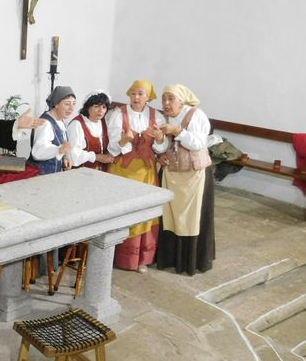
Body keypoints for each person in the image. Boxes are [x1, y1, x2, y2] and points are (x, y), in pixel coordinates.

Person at [106, 79, 167, 272]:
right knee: (122, 211)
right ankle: (118, 257)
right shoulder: (117, 115)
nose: (136, 97)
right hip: (122, 172)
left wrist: (159, 139)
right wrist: (124, 139)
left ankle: (141, 259)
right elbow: (112, 149)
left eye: (140, 94)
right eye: (133, 93)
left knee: (144, 212)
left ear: (148, 97)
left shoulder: (157, 117)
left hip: (146, 172)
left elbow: (161, 148)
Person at [155, 84, 215, 274]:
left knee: (192, 218)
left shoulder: (196, 115)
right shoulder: (162, 117)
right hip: (171, 173)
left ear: (181, 100)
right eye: (164, 98)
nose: (166, 103)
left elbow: (198, 143)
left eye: (171, 98)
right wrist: (159, 148)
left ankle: (190, 261)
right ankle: (169, 258)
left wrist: (177, 131)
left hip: (194, 175)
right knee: (170, 216)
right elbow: (162, 146)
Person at [31, 85, 76, 174]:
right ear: (56, 104)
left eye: (74, 103)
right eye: (67, 104)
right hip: (42, 176)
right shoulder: (45, 123)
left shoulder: (60, 120)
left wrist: (65, 158)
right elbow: (37, 152)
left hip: (53, 175)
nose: (71, 108)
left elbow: (60, 146)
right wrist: (59, 150)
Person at [67, 90, 115, 170]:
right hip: (80, 174)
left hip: (100, 173)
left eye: (104, 107)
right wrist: (95, 157)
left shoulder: (104, 123)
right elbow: (73, 155)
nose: (101, 110)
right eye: (96, 106)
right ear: (88, 107)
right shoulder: (77, 124)